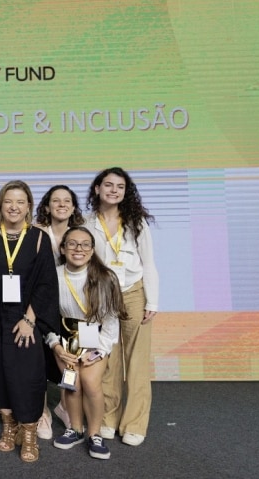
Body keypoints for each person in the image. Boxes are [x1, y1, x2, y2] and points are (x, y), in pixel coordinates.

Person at [0, 180, 59, 463]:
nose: (14, 207)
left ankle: (29, 432)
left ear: (29, 206)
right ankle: (10, 426)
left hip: (23, 317)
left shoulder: (39, 238)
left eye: (20, 202)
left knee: (27, 375)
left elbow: (45, 283)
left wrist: (30, 319)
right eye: (8, 201)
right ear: (0, 205)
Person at [85, 167, 159, 447]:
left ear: (126, 192)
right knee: (108, 360)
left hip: (133, 294)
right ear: (97, 189)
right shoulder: (86, 222)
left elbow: (148, 263)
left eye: (120, 187)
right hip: (101, 297)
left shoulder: (136, 223)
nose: (114, 190)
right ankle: (107, 419)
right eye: (108, 185)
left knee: (137, 361)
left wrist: (152, 301)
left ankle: (135, 424)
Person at [47, 226, 128, 460]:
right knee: (71, 382)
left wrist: (99, 350)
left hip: (95, 338)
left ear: (92, 250)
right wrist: (55, 345)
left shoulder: (106, 277)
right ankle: (75, 429)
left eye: (85, 245)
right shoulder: (52, 276)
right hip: (65, 339)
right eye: (72, 244)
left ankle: (95, 434)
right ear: (63, 249)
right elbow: (46, 317)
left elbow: (111, 320)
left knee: (91, 383)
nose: (78, 249)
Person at [34, 184, 86, 436]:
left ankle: (65, 405)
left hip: (71, 308)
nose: (62, 204)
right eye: (56, 200)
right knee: (40, 361)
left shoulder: (81, 234)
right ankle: (42, 411)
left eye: (67, 201)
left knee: (70, 362)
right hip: (42, 304)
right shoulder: (35, 232)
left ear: (74, 207)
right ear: (47, 207)